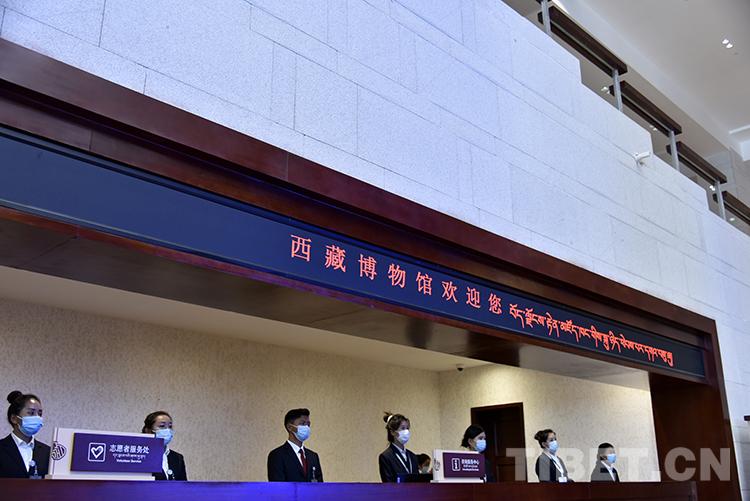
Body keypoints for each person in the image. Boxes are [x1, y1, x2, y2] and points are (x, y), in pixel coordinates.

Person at [0, 391, 50, 478]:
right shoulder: (1, 448)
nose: (37, 417)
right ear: (14, 418)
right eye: (31, 413)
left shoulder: (47, 452)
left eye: (40, 414)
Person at [267, 408, 323, 482]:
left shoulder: (313, 456)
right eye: (302, 423)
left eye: (308, 424)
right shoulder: (277, 455)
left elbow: (320, 485)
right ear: (290, 427)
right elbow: (278, 486)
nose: (306, 427)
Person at [142, 411, 187, 480]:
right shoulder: (141, 456)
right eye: (162, 426)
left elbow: (183, 485)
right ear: (148, 431)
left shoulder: (177, 458)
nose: (167, 430)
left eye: (170, 426)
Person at [378, 412, 418, 482]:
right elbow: (388, 482)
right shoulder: (386, 457)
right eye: (402, 428)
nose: (406, 431)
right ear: (392, 432)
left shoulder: (412, 456)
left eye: (407, 428)